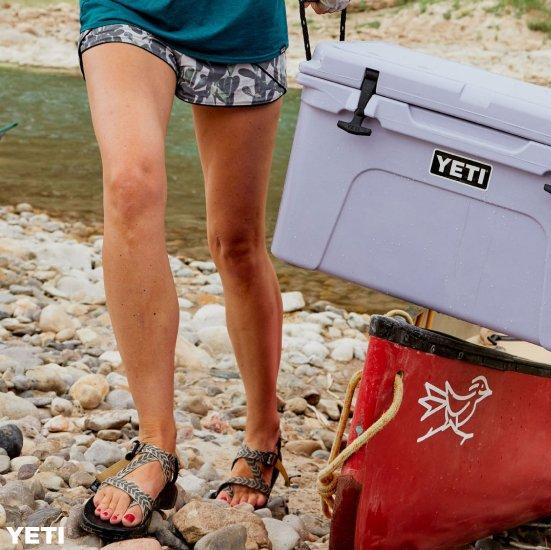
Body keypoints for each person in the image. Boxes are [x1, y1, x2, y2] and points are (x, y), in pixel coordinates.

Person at [76, 0, 348, 539]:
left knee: (237, 242)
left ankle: (264, 431)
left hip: (239, 21)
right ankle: (156, 444)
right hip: (128, 11)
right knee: (131, 186)